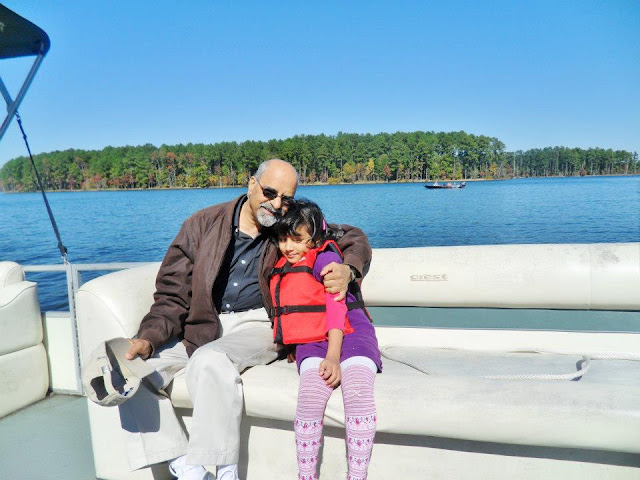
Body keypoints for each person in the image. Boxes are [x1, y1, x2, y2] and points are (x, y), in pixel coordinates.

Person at [122, 159, 372, 480]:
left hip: (258, 324)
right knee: (129, 373)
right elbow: (172, 294)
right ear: (252, 183)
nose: (277, 204)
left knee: (210, 359)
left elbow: (352, 236)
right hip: (203, 325)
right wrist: (149, 338)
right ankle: (184, 464)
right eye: (270, 193)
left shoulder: (286, 226)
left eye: (287, 199)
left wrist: (349, 269)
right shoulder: (201, 224)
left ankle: (225, 471)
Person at [270, 199, 381, 480]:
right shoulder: (285, 263)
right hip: (313, 338)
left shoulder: (325, 258)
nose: (288, 247)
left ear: (315, 238)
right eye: (283, 239)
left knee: (357, 391)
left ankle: (357, 475)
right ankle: (306, 475)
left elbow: (335, 306)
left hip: (352, 331)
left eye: (297, 240)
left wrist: (333, 356)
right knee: (309, 398)